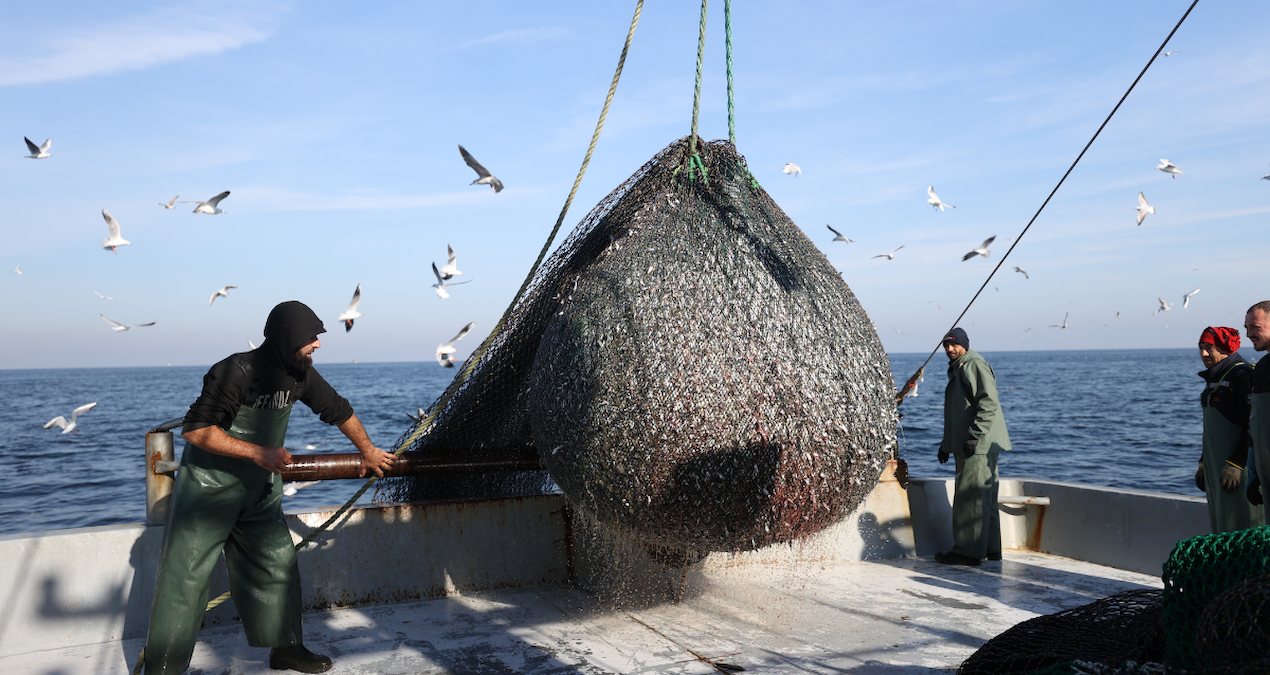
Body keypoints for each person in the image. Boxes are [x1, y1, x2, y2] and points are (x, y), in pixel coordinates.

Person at [145, 301, 395, 675]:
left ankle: (287, 650)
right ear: (287, 338)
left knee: (279, 564)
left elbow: (339, 411)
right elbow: (196, 431)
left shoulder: (301, 374)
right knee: (185, 580)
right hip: (207, 494)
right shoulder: (236, 371)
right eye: (311, 338)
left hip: (257, 493)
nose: (318, 345)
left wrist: (369, 451)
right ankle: (162, 669)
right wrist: (258, 452)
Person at [936, 327, 1011, 566]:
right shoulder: (962, 367)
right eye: (946, 346)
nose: (950, 349)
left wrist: (973, 436)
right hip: (980, 444)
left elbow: (988, 403)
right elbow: (960, 411)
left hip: (978, 445)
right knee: (985, 498)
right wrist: (947, 445)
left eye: (954, 344)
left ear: (964, 344)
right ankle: (990, 549)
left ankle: (968, 552)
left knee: (970, 498)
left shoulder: (973, 365)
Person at [1194, 326, 1262, 532]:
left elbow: (1253, 425)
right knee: (1221, 529)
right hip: (1216, 473)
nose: (1204, 354)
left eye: (1210, 348)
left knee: (1241, 529)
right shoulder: (1214, 380)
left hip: (1237, 474)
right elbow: (1210, 432)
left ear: (1225, 349)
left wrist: (1236, 463)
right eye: (1201, 348)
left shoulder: (1242, 376)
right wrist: (1203, 464)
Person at [1243, 301, 1270, 519]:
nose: (1249, 334)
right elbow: (1256, 427)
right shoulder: (1261, 367)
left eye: (1255, 327)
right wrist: (1253, 474)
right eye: (1246, 328)